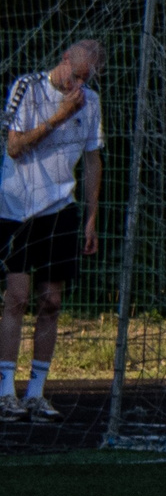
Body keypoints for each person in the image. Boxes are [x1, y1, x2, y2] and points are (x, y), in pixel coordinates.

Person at [0, 40, 104, 422]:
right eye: (76, 76)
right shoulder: (27, 87)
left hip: (61, 209)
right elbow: (14, 146)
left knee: (52, 301)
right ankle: (4, 391)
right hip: (18, 208)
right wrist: (59, 116)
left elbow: (93, 158)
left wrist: (91, 217)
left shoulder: (90, 102)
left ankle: (36, 393)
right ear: (64, 61)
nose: (80, 85)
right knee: (17, 297)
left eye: (86, 79)